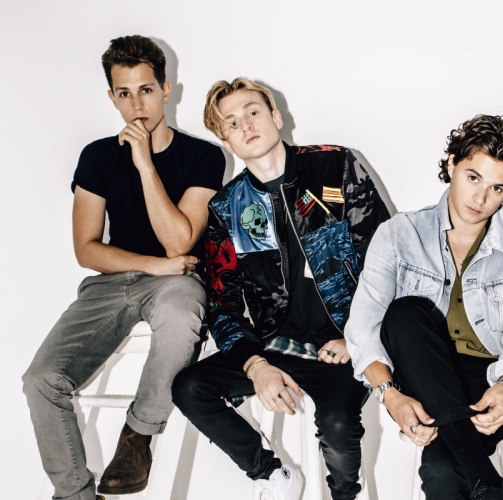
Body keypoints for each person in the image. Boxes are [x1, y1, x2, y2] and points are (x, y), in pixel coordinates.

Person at [22, 35, 225, 500]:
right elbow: (87, 250)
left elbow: (179, 241)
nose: (137, 106)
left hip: (176, 283)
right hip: (114, 283)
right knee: (40, 380)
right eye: (124, 93)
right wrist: (155, 265)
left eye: (146, 90)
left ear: (166, 90)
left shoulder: (204, 156)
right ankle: (75, 494)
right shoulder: (96, 156)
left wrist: (144, 163)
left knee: (181, 310)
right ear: (111, 97)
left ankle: (138, 435)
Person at [171, 77, 390, 500]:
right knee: (190, 388)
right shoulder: (226, 208)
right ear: (226, 140)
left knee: (338, 425)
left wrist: (357, 335)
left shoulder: (336, 164)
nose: (246, 125)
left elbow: (384, 259)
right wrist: (255, 365)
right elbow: (222, 303)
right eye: (232, 122)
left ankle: (345, 495)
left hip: (343, 342)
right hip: (274, 345)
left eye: (253, 112)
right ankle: (272, 474)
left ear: (275, 116)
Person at [344, 115, 503, 500]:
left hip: (488, 378)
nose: (480, 198)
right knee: (405, 313)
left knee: (442, 471)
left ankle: (485, 482)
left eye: (496, 188)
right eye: (473, 177)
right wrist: (389, 394)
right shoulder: (399, 234)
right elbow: (363, 327)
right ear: (453, 163)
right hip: (418, 367)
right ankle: (489, 482)